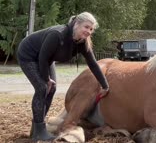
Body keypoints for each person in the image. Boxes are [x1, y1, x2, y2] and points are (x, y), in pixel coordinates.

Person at [17, 12, 110, 141]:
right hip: (29, 55)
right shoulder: (57, 34)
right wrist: (46, 79)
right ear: (77, 24)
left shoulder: (82, 42)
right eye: (86, 27)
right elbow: (42, 58)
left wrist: (105, 85)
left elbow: (93, 64)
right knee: (42, 88)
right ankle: (39, 131)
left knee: (52, 88)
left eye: (91, 29)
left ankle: (37, 128)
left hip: (46, 59)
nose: (88, 31)